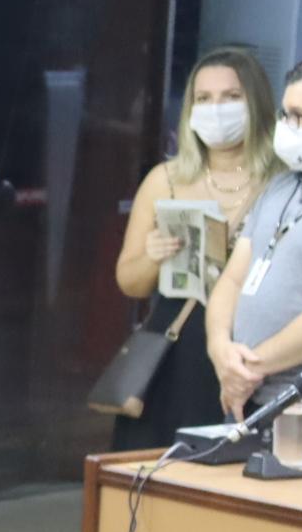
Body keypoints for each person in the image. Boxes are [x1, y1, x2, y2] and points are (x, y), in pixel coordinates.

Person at [111, 50, 276, 450]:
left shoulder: (284, 181)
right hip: (173, 344)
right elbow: (130, 282)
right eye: (203, 99)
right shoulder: (165, 179)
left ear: (256, 103)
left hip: (251, 349)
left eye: (231, 97)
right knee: (149, 469)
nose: (216, 110)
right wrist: (154, 254)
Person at [209, 52, 302, 451]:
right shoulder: (281, 186)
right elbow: (232, 278)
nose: (284, 126)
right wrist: (221, 351)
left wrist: (250, 367)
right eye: (284, 113)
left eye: (297, 116)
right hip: (248, 394)